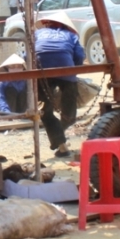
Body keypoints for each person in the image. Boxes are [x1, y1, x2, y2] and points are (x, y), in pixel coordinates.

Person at [34, 12, 84, 158]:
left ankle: (59, 141)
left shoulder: (39, 33)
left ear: (46, 23)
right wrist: (73, 70)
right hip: (66, 69)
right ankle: (60, 142)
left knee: (45, 111)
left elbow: (28, 54)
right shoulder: (71, 35)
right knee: (69, 112)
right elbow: (79, 56)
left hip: (41, 70)